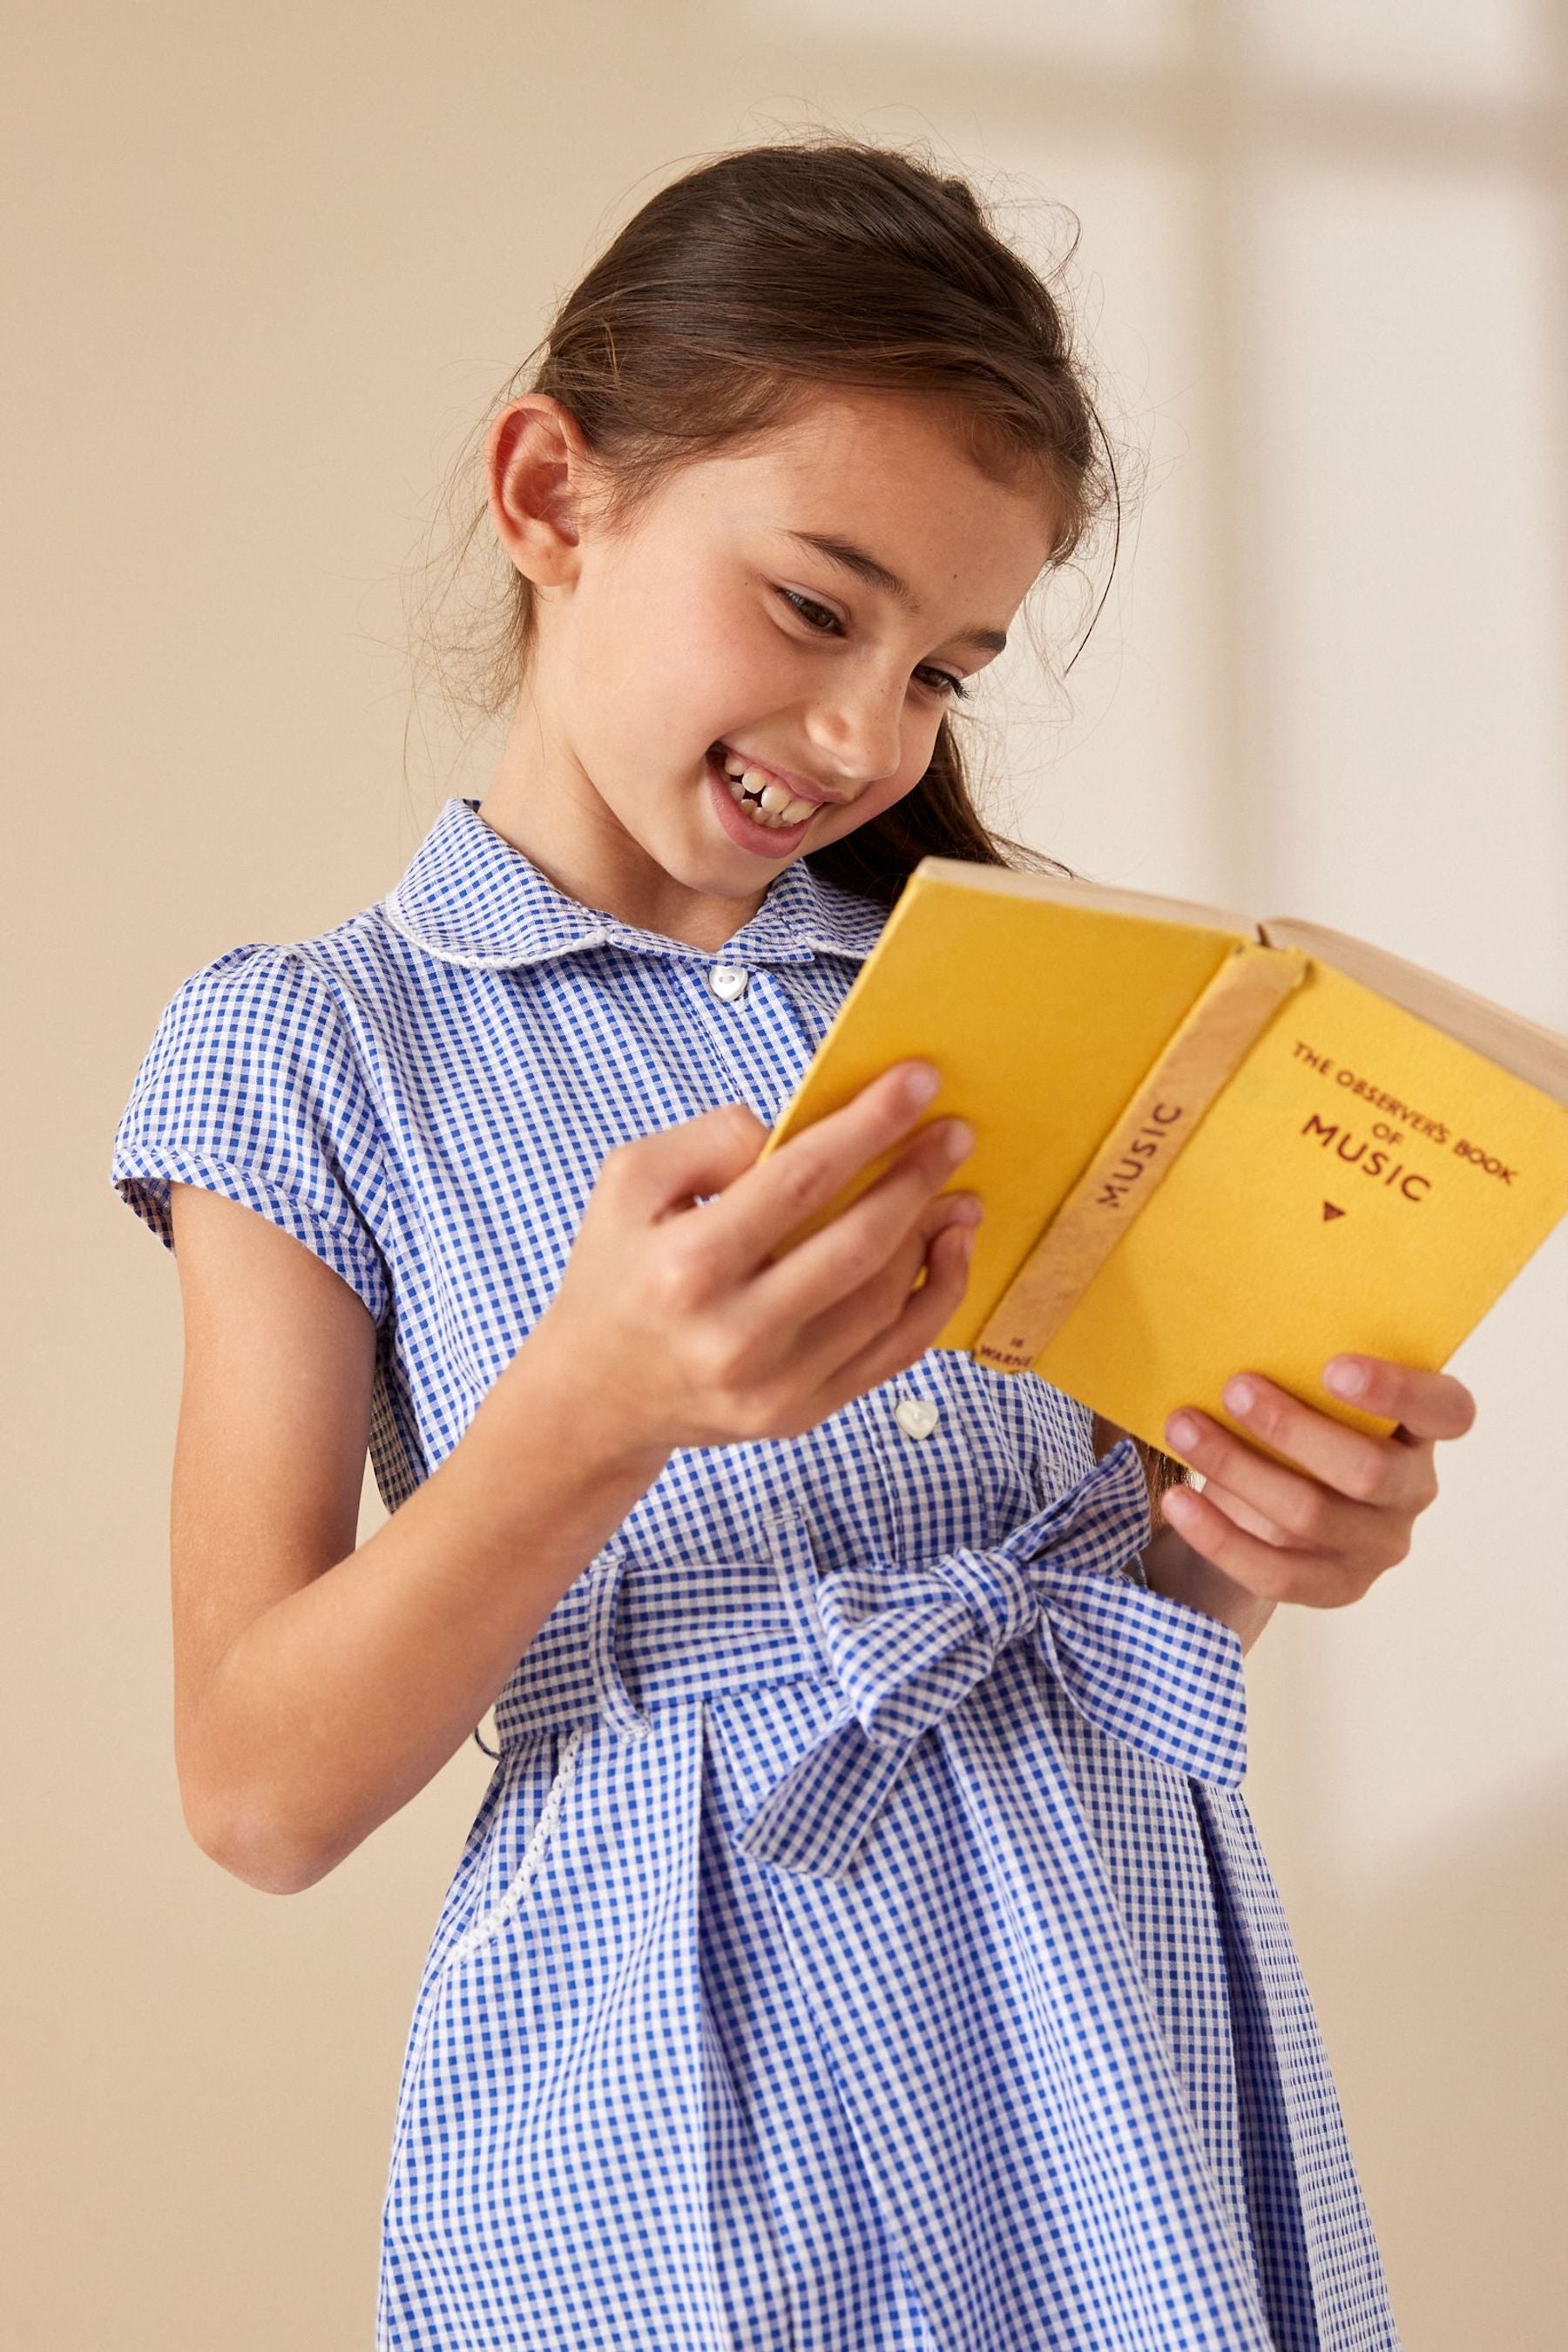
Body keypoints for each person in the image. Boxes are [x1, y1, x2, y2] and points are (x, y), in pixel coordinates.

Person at [108, 137, 1475, 2352]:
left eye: (945, 667)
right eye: (818, 608)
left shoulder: (1005, 1001)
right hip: (675, 2101)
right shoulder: (314, 1051)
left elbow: (1108, 1626)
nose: (866, 733)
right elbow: (256, 1794)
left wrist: (1251, 1536)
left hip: (1117, 2022)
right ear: (554, 495)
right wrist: (599, 1405)